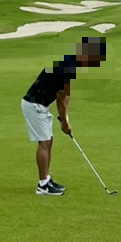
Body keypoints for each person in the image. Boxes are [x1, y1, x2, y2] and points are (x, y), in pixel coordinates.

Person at [21, 34, 107, 196]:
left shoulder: (72, 62)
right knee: (44, 143)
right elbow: (60, 101)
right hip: (34, 104)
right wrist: (65, 124)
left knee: (48, 141)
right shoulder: (69, 67)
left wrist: (64, 119)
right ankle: (42, 185)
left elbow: (66, 95)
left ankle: (46, 179)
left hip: (40, 104)